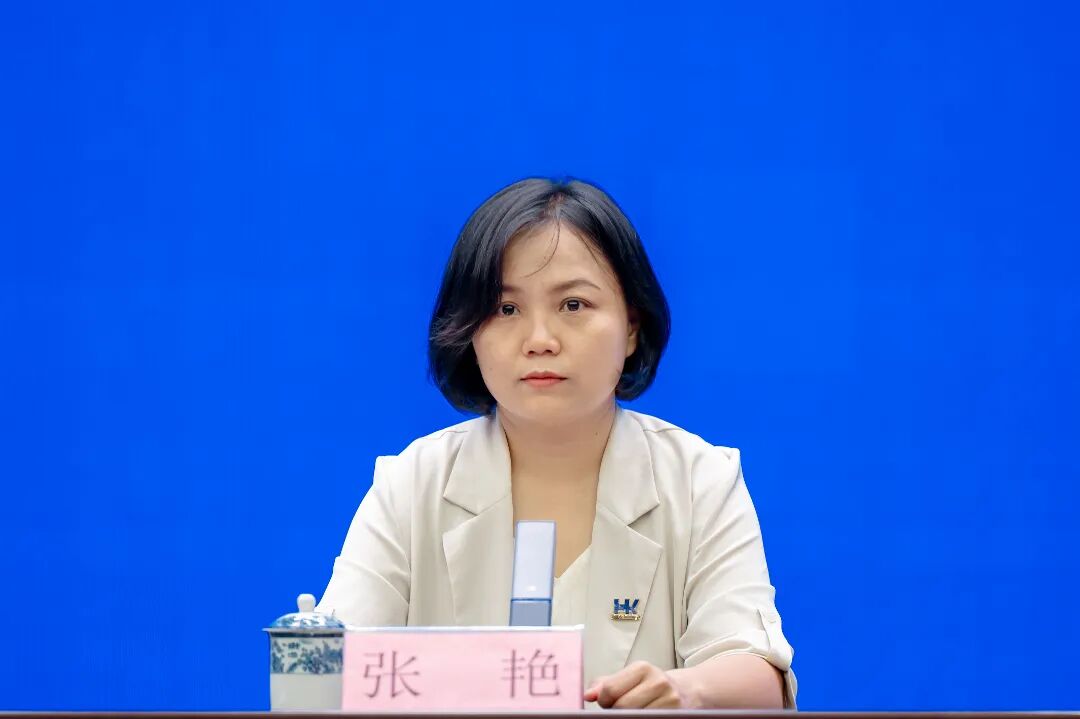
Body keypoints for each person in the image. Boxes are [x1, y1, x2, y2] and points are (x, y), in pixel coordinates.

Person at [316, 177, 797, 709]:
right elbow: (328, 672)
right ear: (470, 331)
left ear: (631, 327)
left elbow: (760, 677)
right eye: (506, 309)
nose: (540, 340)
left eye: (572, 304)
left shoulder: (698, 480)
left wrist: (687, 690)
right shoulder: (413, 484)